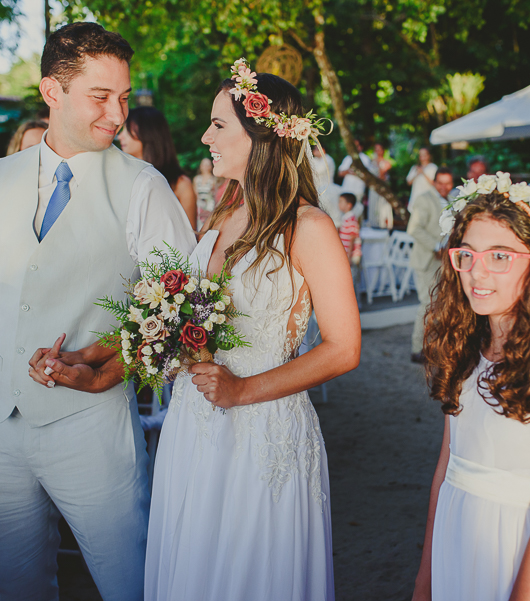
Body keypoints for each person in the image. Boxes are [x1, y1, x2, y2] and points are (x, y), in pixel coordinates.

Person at [0, 23, 195, 601]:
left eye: (125, 98)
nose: (117, 116)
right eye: (101, 97)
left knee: (129, 581)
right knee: (16, 586)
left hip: (93, 427)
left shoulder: (144, 187)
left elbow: (184, 312)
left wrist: (111, 364)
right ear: (52, 92)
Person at [143, 59, 361, 601]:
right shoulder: (223, 215)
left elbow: (344, 348)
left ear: (260, 133)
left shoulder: (308, 226)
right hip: (194, 424)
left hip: (262, 429)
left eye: (218, 125)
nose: (203, 136)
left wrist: (242, 390)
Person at [413, 174, 530, 601]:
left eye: (500, 256)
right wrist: (426, 578)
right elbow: (445, 472)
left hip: (521, 561)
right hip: (456, 547)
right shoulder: (464, 353)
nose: (478, 272)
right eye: (467, 255)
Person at [119, 106, 198, 230]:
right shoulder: (121, 177)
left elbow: (190, 238)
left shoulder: (180, 184)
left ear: (148, 132)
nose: (120, 136)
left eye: (127, 129)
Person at [408, 167, 452, 364]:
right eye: (440, 183)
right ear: (434, 182)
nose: (444, 187)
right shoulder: (424, 199)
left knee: (441, 305)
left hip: (445, 262)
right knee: (427, 304)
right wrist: (436, 246)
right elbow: (414, 228)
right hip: (427, 260)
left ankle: (434, 346)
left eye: (448, 183)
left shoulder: (453, 200)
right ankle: (417, 349)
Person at [338, 140, 372, 220]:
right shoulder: (347, 158)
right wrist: (350, 171)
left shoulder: (365, 158)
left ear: (361, 147)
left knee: (357, 209)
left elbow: (366, 175)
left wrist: (352, 172)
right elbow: (340, 173)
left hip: (358, 189)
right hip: (347, 188)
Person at [311, 143, 341, 225]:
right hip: (317, 189)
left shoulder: (328, 159)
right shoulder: (315, 160)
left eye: (317, 149)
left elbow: (316, 171)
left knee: (330, 211)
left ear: (323, 150)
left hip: (327, 189)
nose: (314, 151)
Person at [368, 142, 393, 228]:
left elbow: (381, 176)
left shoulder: (387, 163)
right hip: (373, 188)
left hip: (382, 188)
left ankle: (383, 225)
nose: (377, 151)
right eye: (376, 149)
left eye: (379, 149)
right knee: (373, 206)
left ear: (383, 151)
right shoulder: (371, 162)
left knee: (383, 208)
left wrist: (378, 164)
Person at [406, 146, 438, 213]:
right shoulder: (415, 168)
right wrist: (417, 173)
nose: (422, 157)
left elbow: (434, 183)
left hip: (428, 198)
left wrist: (423, 173)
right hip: (416, 197)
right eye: (421, 155)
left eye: (424, 154)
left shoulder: (433, 167)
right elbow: (409, 182)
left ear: (429, 155)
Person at [193, 157, 219, 227]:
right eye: (204, 165)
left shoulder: (214, 179)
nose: (206, 167)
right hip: (199, 205)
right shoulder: (196, 179)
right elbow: (195, 194)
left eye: (208, 165)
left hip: (210, 205)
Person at [338, 192, 361, 261]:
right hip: (347, 252)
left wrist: (349, 256)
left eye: (341, 202)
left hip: (351, 254)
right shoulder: (346, 218)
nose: (338, 204)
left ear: (349, 205)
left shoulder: (351, 219)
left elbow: (352, 238)